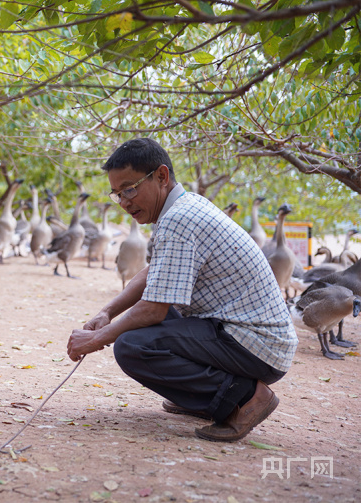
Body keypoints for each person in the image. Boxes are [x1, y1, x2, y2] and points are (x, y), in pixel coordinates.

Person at [67, 138, 297, 442]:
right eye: (117, 193)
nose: (123, 201)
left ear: (161, 176)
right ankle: (204, 398)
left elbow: (152, 309)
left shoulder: (179, 219)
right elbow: (154, 273)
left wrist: (96, 338)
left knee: (133, 347)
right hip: (245, 335)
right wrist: (107, 312)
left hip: (257, 345)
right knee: (140, 327)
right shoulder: (185, 206)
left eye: (130, 189)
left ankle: (244, 399)